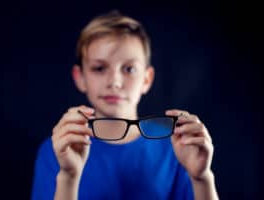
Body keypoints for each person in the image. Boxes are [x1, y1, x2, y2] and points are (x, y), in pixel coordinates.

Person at [31, 11, 219, 200]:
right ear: (80, 77)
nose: (115, 82)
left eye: (129, 69)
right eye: (99, 68)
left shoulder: (178, 144)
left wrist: (202, 178)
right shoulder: (59, 148)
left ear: (147, 79)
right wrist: (68, 177)